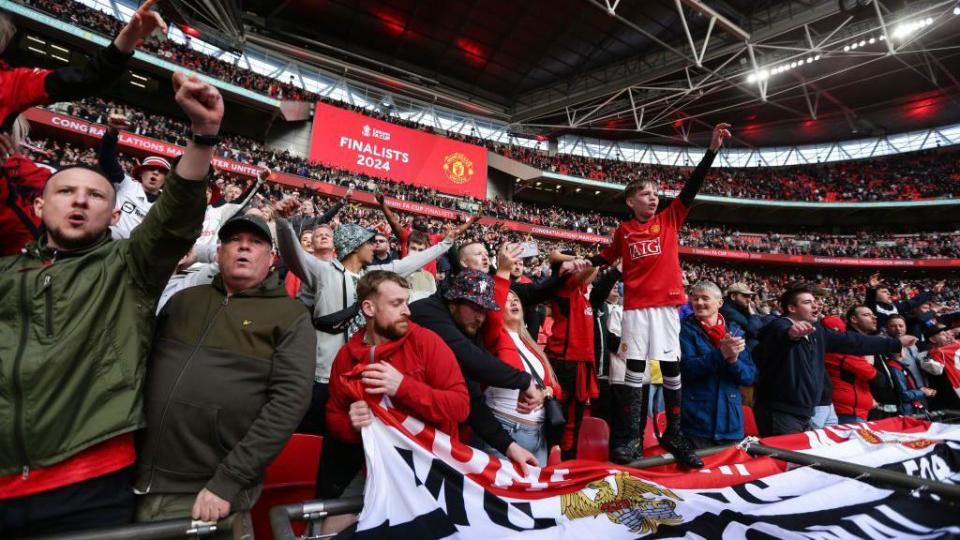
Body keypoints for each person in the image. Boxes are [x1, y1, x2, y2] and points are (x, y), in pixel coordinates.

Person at [0, 71, 222, 535]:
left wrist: (202, 138)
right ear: (39, 207)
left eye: (95, 195)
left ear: (115, 212)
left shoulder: (128, 267)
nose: (80, 201)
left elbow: (175, 219)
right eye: (65, 191)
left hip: (89, 485)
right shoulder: (6, 273)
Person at [134, 213, 315, 529]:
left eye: (255, 242)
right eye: (234, 240)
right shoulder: (182, 301)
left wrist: (228, 481)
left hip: (206, 491)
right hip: (134, 474)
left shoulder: (290, 316)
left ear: (271, 258)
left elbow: (287, 406)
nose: (243, 248)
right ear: (218, 253)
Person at [578, 122, 732, 468]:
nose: (654, 196)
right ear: (631, 201)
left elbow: (691, 189)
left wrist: (711, 151)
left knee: (670, 366)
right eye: (646, 193)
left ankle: (674, 434)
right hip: (634, 308)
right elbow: (604, 259)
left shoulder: (670, 219)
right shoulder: (624, 231)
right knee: (635, 369)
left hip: (664, 306)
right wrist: (581, 262)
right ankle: (630, 439)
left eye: (656, 192)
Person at [0, 1, 164, 255]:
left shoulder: (10, 83)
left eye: (159, 172)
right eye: (151, 169)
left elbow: (85, 78)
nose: (154, 175)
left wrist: (128, 39)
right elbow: (108, 159)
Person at [325, 271, 470, 534]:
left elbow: (460, 407)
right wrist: (351, 424)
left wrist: (403, 387)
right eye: (396, 304)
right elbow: (334, 417)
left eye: (406, 301)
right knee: (329, 528)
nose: (407, 311)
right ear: (369, 308)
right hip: (379, 471)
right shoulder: (347, 357)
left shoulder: (427, 342)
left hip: (435, 470)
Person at [753, 286, 915, 436]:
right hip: (780, 411)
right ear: (792, 308)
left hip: (806, 411)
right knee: (785, 462)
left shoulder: (817, 332)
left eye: (815, 302)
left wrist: (895, 343)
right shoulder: (778, 327)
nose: (815, 306)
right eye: (807, 302)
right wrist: (790, 335)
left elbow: (853, 342)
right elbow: (776, 338)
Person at [476, 247, 563, 465]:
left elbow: (556, 387)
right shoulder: (494, 336)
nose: (514, 302)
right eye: (508, 299)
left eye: (516, 300)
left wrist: (546, 393)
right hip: (505, 432)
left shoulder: (532, 344)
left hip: (538, 437)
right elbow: (494, 313)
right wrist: (503, 272)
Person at [679, 282, 756, 449]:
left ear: (720, 303)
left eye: (705, 298)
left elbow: (749, 376)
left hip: (731, 424)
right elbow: (686, 370)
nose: (699, 303)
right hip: (696, 424)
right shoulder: (683, 330)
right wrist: (721, 354)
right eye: (695, 298)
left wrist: (733, 361)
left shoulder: (736, 332)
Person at [822, 308, 879, 425]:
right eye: (867, 315)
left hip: (856, 409)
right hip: (849, 411)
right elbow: (876, 377)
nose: (874, 318)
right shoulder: (842, 353)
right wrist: (868, 363)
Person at [865, 272, 943, 330]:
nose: (888, 293)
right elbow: (869, 301)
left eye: (888, 292)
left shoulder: (895, 308)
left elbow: (914, 301)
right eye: (884, 292)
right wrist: (872, 289)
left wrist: (932, 292)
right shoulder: (871, 307)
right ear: (875, 295)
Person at [720, 282, 764, 353]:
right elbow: (754, 331)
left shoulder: (738, 307)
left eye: (750, 296)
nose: (749, 300)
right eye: (745, 296)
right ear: (733, 296)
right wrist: (752, 314)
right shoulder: (728, 310)